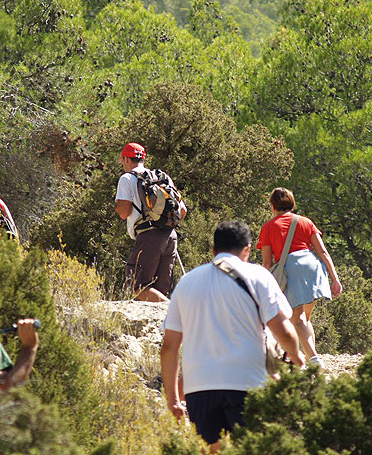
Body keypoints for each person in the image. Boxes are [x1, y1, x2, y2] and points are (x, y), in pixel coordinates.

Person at [161, 221, 305, 453]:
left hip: (200, 389)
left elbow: (169, 347)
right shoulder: (258, 276)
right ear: (247, 249)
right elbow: (283, 331)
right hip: (248, 383)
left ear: (214, 250)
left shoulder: (187, 282)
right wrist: (298, 358)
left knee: (213, 450)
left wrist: (173, 399)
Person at [256, 187, 342, 368]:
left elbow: (266, 263)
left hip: (292, 270)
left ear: (272, 206)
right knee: (304, 318)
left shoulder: (268, 228)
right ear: (292, 203)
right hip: (313, 268)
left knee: (298, 319)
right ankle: (296, 355)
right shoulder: (305, 222)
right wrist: (335, 279)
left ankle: (313, 359)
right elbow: (323, 252)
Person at [114, 143, 187, 302]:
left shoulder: (126, 179)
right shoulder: (162, 177)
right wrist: (163, 225)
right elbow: (182, 211)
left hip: (148, 236)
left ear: (126, 159)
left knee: (136, 286)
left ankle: (175, 309)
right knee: (158, 290)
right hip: (170, 236)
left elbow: (124, 212)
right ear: (143, 159)